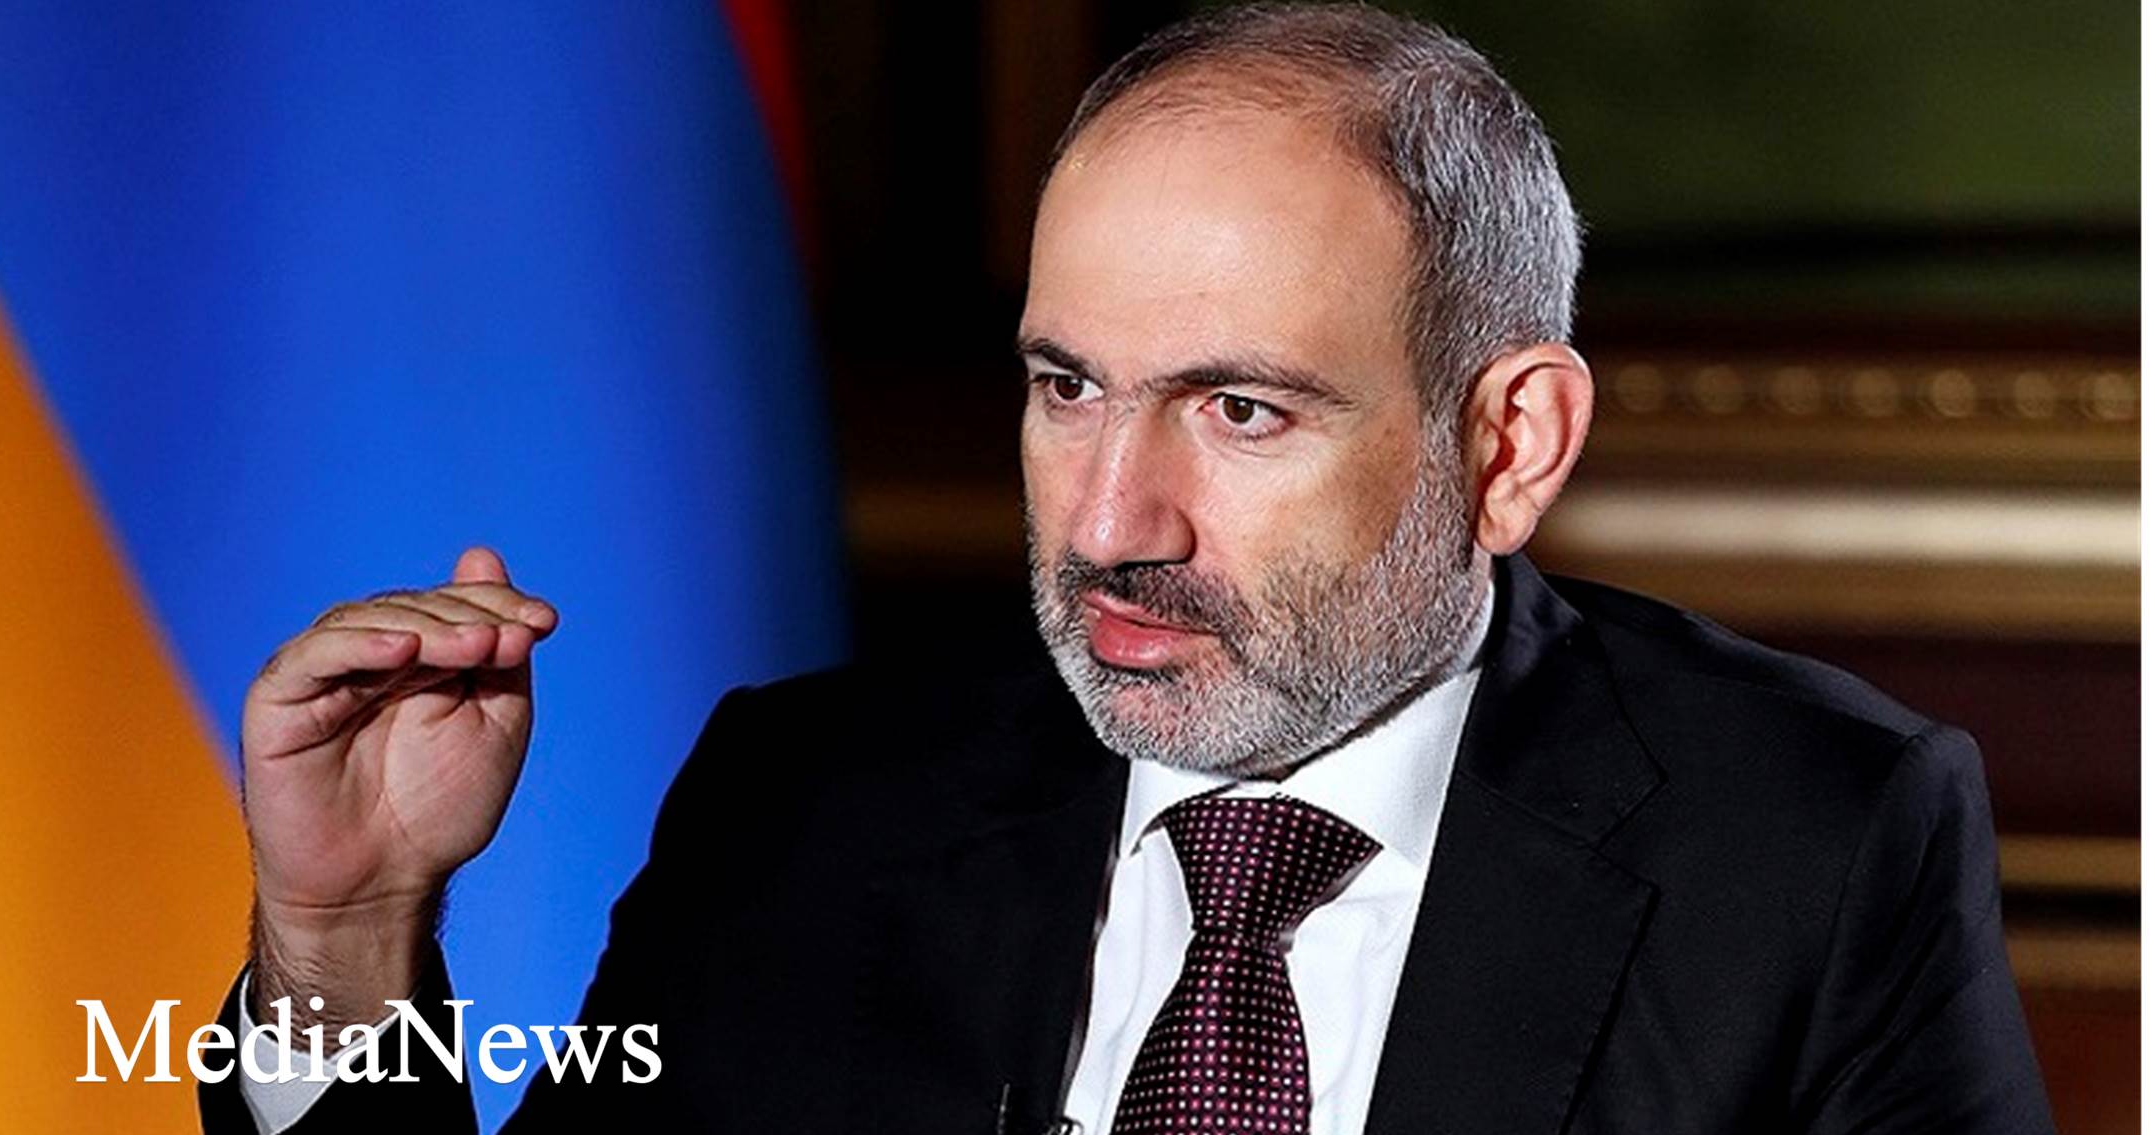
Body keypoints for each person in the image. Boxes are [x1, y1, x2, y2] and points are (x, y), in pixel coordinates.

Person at [201, 5, 2055, 1133]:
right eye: (1066, 387)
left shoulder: (1810, 844)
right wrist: (349, 937)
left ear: (1510, 445)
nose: (1108, 525)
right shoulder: (812, 806)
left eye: (1239, 411)